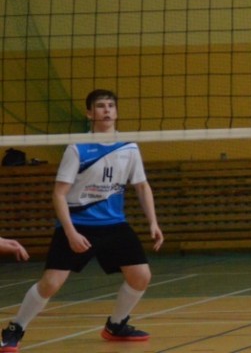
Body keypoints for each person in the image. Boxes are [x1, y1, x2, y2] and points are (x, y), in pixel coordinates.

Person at [1, 89, 163, 352]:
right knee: (51, 283)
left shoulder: (129, 147)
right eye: (100, 106)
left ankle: (116, 325)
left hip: (114, 225)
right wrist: (70, 232)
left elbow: (142, 186)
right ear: (89, 113)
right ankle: (14, 328)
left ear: (116, 112)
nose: (107, 110)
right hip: (78, 223)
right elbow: (58, 194)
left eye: (111, 105)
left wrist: (153, 222)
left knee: (141, 276)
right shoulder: (77, 148)